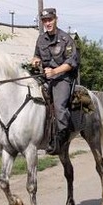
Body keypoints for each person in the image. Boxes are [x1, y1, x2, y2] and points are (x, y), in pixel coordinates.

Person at [32, 8, 79, 155]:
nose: (47, 23)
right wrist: (35, 60)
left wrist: (54, 71)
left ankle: (61, 139)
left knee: (59, 107)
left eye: (50, 20)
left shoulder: (66, 39)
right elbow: (36, 56)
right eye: (45, 21)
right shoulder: (41, 39)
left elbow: (71, 63)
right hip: (45, 77)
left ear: (56, 19)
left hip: (63, 78)